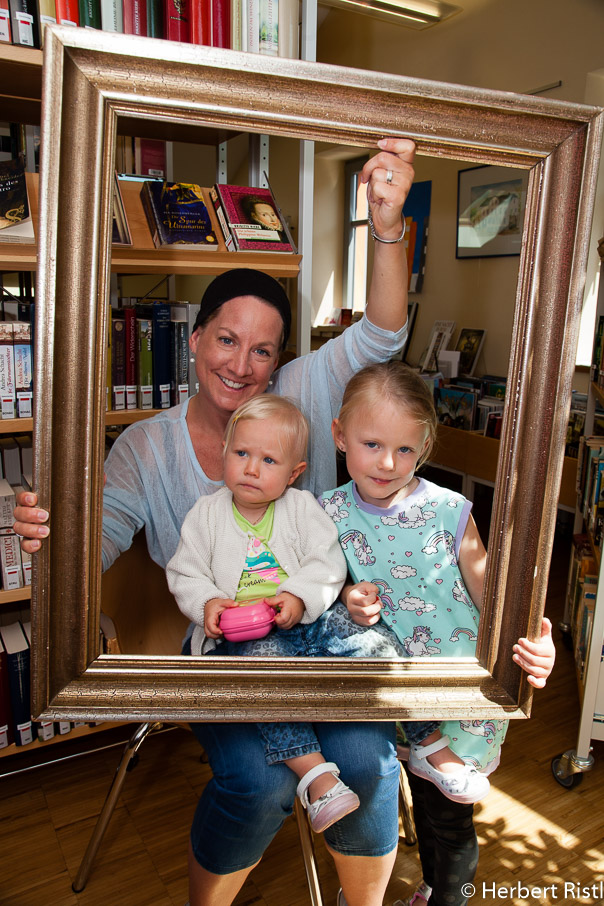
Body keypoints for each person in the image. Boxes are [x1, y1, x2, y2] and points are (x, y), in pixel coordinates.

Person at [14, 138, 417, 906]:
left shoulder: (306, 388)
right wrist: (51, 539)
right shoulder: (145, 446)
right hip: (219, 649)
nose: (241, 365)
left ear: (282, 361)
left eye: (262, 351)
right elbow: (93, 540)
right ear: (194, 339)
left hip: (316, 632)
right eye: (226, 340)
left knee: (368, 763)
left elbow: (386, 333)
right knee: (258, 778)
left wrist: (387, 222)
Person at [167, 394, 466, 837]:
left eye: (268, 460)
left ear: (293, 473)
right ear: (224, 455)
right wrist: (208, 602)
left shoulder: (303, 508)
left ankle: (425, 736)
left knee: (376, 640)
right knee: (264, 683)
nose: (251, 468)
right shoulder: (205, 516)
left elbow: (328, 563)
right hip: (246, 638)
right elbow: (184, 571)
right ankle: (315, 776)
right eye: (242, 453)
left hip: (313, 623)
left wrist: (299, 597)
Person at [316, 360, 556, 906]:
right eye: (372, 443)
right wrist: (346, 602)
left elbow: (492, 595)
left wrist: (533, 645)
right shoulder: (325, 515)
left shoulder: (450, 512)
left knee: (446, 819)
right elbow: (320, 596)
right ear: (339, 435)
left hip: (455, 694)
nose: (387, 462)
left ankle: (447, 895)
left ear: (424, 445)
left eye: (405, 449)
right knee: (398, 799)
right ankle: (423, 884)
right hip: (385, 700)